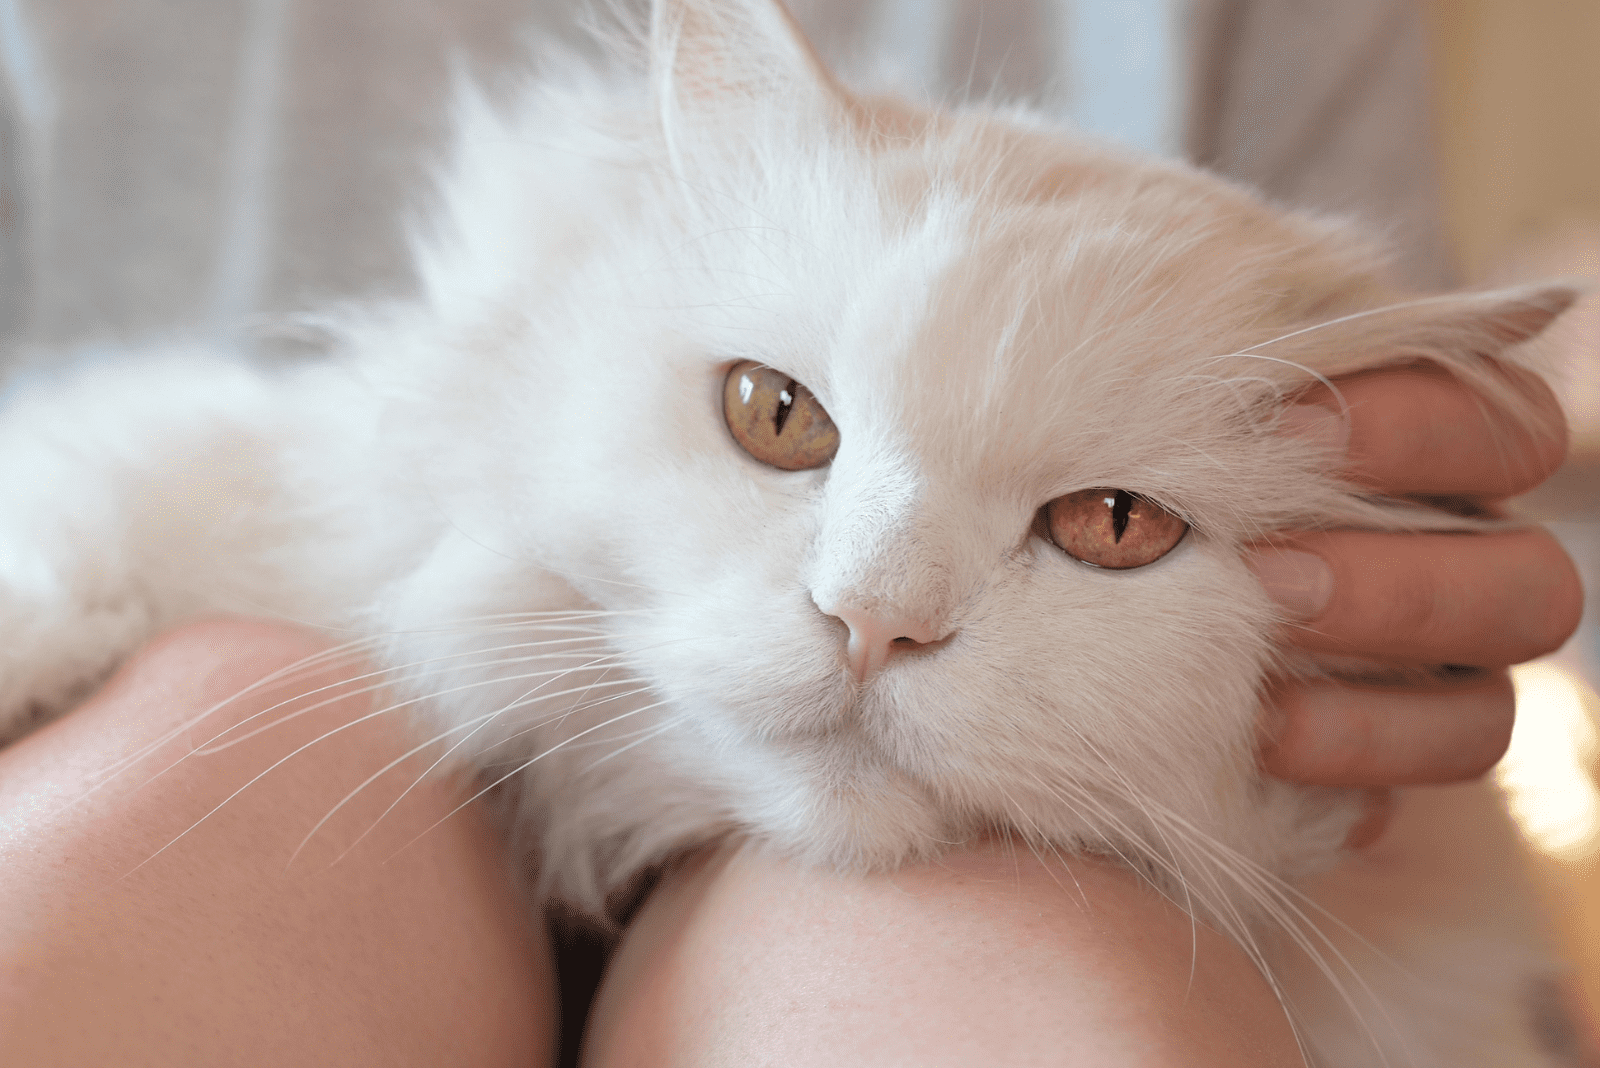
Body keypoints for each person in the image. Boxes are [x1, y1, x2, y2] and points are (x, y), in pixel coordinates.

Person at [0, 0, 1585, 1064]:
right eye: (782, 420)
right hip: (322, 697)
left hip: (1051, 882)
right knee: (190, 790)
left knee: (1017, 984)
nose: (869, 602)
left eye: (1106, 521)